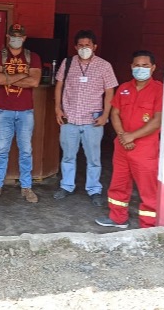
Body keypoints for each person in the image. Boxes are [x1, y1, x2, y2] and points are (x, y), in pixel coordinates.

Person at [95, 50, 163, 229]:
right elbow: (115, 113)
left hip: (145, 148)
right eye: (137, 65)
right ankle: (118, 218)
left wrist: (131, 136)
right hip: (122, 146)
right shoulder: (124, 88)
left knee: (148, 189)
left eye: (145, 66)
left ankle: (148, 226)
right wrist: (123, 136)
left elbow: (157, 121)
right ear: (132, 67)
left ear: (153, 68)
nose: (140, 69)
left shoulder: (159, 90)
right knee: (118, 183)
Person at [53, 29, 118, 206]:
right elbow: (59, 86)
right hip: (69, 119)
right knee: (68, 155)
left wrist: (106, 115)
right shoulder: (67, 63)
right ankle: (66, 186)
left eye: (87, 45)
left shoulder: (104, 66)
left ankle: (94, 189)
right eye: (80, 45)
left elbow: (110, 91)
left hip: (93, 120)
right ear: (75, 47)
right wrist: (58, 109)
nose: (84, 48)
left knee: (94, 158)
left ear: (94, 46)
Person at [0, 24, 42, 203]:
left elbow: (34, 82)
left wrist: (8, 79)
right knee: (2, 150)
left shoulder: (33, 57)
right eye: (13, 35)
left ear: (24, 38)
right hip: (3, 110)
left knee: (26, 150)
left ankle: (26, 187)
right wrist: (21, 75)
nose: (16, 38)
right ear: (7, 36)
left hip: (25, 111)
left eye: (19, 36)